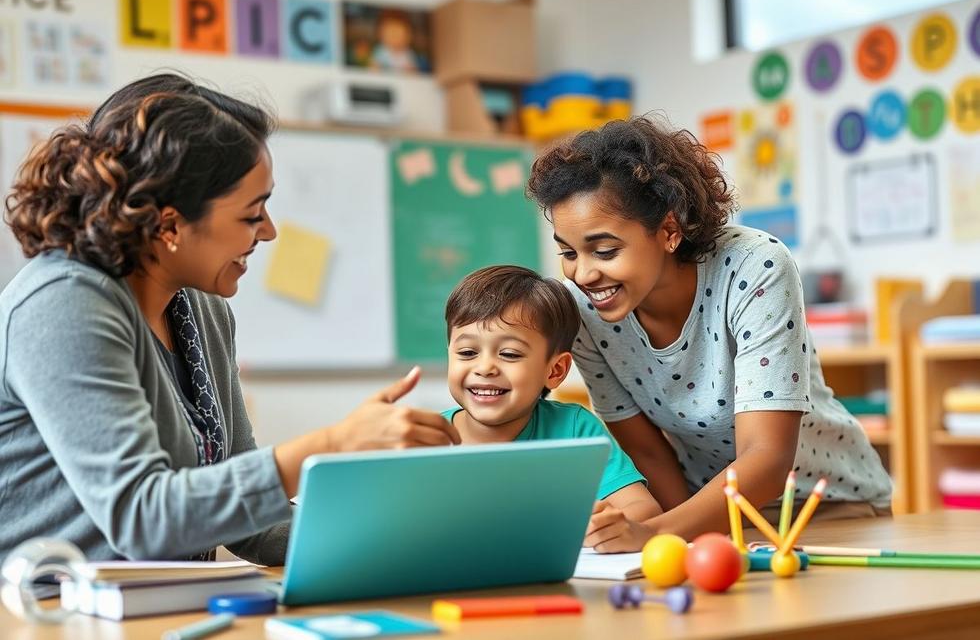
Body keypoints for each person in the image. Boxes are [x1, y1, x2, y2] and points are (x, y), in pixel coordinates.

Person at [0, 73, 459, 565]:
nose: (270, 231)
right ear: (169, 223)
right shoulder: (63, 305)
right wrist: (334, 444)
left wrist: (405, 530)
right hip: (45, 613)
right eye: (251, 214)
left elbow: (251, 524)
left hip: (161, 607)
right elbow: (142, 518)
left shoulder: (205, 310)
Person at [525, 116, 892, 547]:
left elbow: (768, 458)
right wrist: (674, 540)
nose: (582, 273)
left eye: (604, 250)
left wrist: (653, 534)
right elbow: (647, 452)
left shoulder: (755, 266)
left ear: (668, 231)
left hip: (827, 508)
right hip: (708, 516)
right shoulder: (583, 311)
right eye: (568, 252)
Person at [442, 265, 662, 551]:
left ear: (555, 370)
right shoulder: (424, 440)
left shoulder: (574, 430)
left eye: (509, 354)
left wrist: (603, 527)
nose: (484, 368)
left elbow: (643, 510)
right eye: (467, 353)